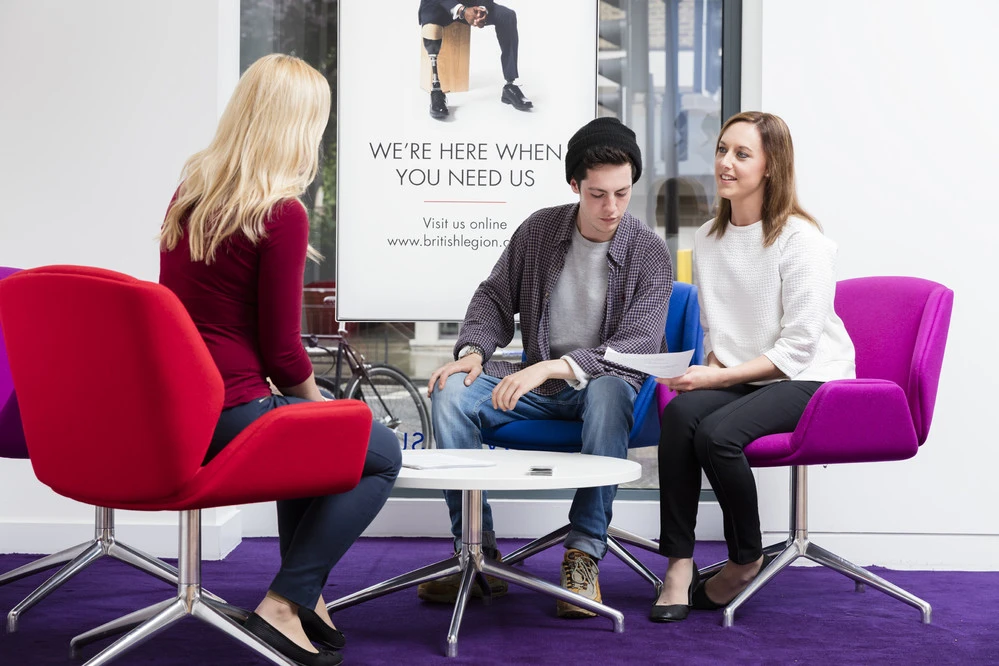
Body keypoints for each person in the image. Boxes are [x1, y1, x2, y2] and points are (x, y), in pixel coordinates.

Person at [159, 54, 402, 665]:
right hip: (236, 405)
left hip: (187, 408)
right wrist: (323, 405)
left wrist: (308, 410)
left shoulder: (190, 194)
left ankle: (305, 594)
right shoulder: (281, 212)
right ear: (296, 126)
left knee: (308, 441)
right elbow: (282, 348)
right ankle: (284, 602)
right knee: (380, 452)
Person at [418, 117, 673, 618]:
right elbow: (494, 297)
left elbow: (635, 348)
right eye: (598, 194)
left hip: (603, 391)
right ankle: (475, 551)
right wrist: (473, 351)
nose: (612, 208)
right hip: (537, 387)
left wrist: (555, 366)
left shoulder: (648, 251)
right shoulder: (539, 231)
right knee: (451, 393)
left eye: (622, 193)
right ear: (574, 185)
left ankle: (583, 553)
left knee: (607, 390)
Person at [649, 111, 856, 623]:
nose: (725, 162)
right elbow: (721, 333)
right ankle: (678, 564)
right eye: (722, 149)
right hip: (749, 373)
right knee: (679, 416)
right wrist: (703, 370)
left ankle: (745, 559)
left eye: (742, 154)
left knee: (717, 434)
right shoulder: (709, 239)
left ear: (770, 167)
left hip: (813, 378)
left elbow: (798, 348)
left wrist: (713, 377)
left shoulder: (802, 240)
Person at [419, 0, 533, 119]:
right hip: (439, 5)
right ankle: (436, 91)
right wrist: (462, 10)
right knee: (431, 27)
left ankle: (510, 85)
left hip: (469, 4)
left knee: (507, 16)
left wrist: (481, 10)